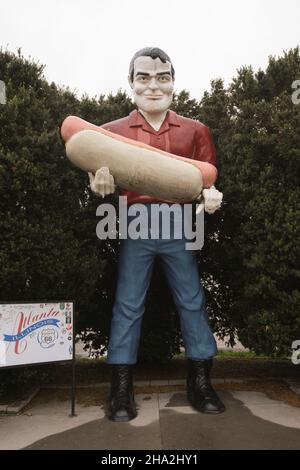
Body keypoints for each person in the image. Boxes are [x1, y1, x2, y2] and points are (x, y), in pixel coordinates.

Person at [89, 47, 225, 421]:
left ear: (173, 81)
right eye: (143, 77)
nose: (153, 86)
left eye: (161, 77)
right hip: (136, 223)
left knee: (192, 299)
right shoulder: (110, 133)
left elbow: (206, 178)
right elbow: (97, 177)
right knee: (129, 303)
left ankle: (200, 382)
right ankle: (120, 389)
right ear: (131, 83)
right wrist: (99, 186)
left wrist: (209, 196)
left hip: (180, 222)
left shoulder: (196, 130)